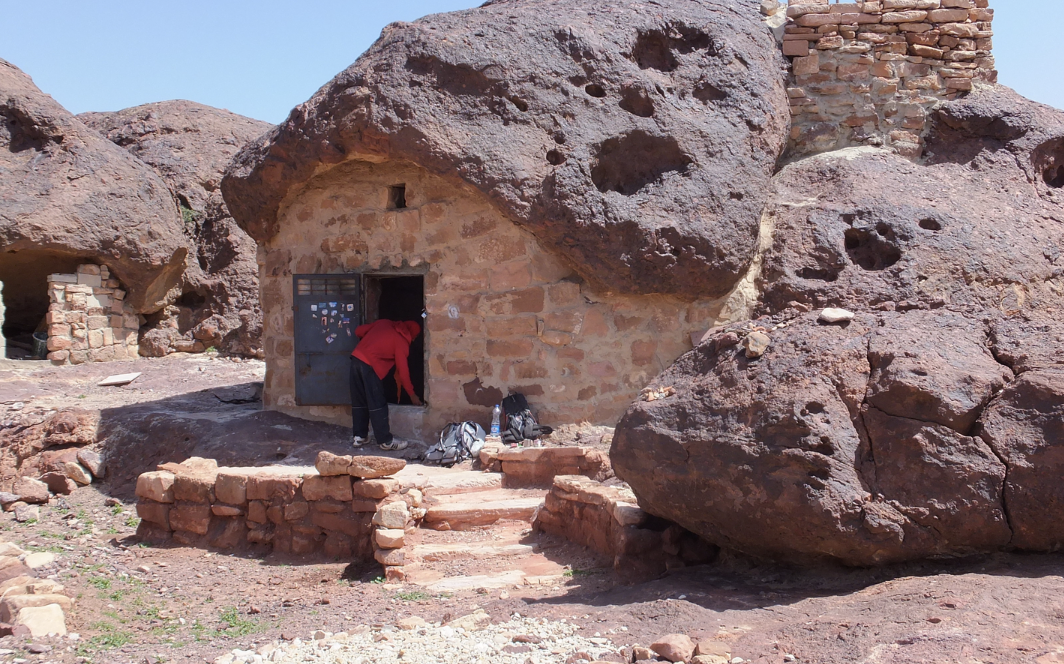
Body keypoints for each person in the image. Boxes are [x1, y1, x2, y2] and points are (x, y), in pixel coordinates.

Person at [349, 319, 422, 451]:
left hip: (355, 359)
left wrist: (374, 340)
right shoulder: (401, 342)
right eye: (415, 337)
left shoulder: (383, 323)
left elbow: (358, 331)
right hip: (370, 366)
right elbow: (403, 372)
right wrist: (412, 395)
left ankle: (359, 436)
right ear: (412, 334)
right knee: (377, 402)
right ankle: (385, 441)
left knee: (359, 400)